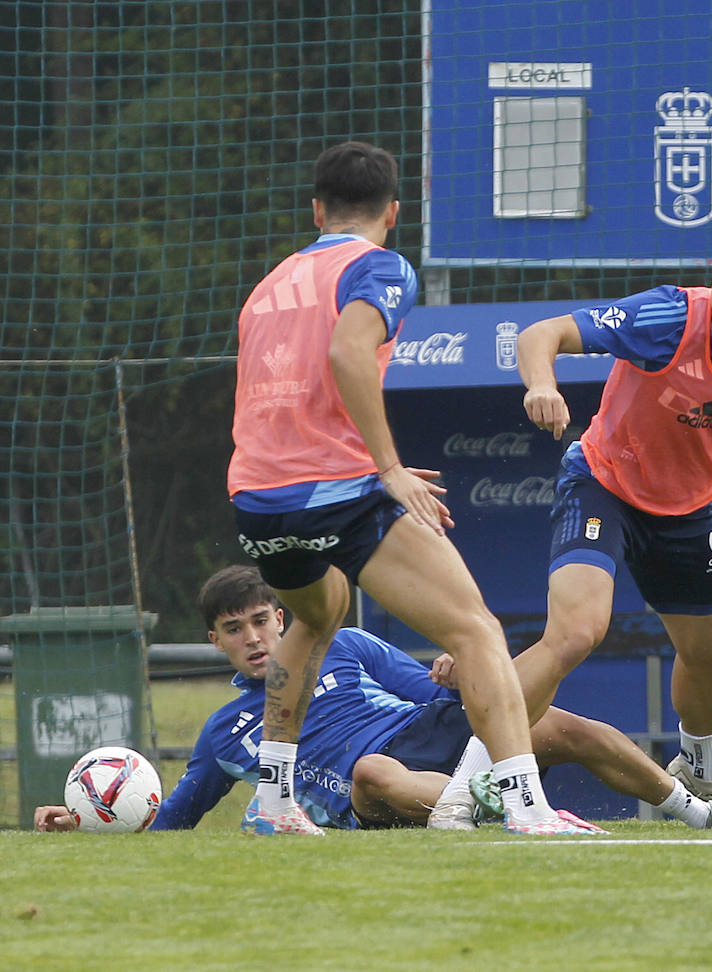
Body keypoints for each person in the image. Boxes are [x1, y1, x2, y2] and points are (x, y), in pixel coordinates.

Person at [225, 141, 587, 836]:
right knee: (476, 629)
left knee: (317, 619)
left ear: (315, 209)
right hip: (337, 490)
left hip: (258, 497)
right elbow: (348, 352)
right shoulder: (379, 265)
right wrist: (384, 468)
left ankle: (273, 802)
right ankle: (526, 808)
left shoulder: (270, 283)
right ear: (393, 211)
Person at [483, 227, 712, 812]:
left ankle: (700, 773)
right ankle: (478, 772)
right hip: (603, 484)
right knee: (576, 633)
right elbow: (541, 333)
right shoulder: (667, 317)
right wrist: (541, 384)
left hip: (684, 512)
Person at [33, 566, 712, 833]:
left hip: (433, 734)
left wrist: (453, 671)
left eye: (263, 620)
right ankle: (512, 806)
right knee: (372, 778)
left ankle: (701, 809)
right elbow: (180, 815)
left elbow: (426, 686)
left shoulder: (348, 646)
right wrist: (86, 819)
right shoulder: (225, 730)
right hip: (379, 786)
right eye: (236, 630)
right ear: (216, 641)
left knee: (565, 726)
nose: (256, 638)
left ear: (282, 616)